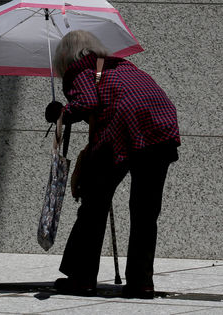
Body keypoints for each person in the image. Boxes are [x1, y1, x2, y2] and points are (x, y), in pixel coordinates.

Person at [44, 30, 180, 299]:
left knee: (94, 204)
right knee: (145, 212)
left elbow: (87, 102)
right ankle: (141, 283)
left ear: (65, 57)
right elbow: (110, 101)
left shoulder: (79, 70)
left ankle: (82, 278)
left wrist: (60, 113)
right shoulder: (122, 65)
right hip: (162, 129)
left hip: (123, 132)